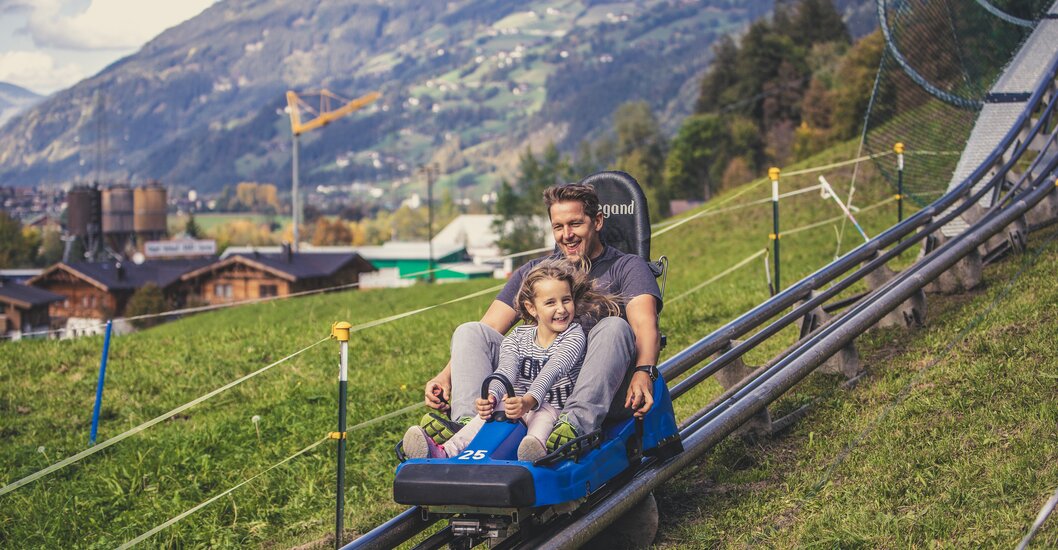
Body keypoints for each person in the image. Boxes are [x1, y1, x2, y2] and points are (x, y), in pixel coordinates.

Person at [419, 182, 663, 453]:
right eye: (558, 227)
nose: (567, 235)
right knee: (470, 331)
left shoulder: (627, 267)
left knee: (615, 327)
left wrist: (644, 372)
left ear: (597, 221)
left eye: (575, 224)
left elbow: (645, 325)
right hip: (534, 385)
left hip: (598, 387)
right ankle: (468, 424)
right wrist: (445, 376)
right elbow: (490, 326)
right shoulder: (536, 272)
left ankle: (574, 427)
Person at [402, 258, 620, 461]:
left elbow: (553, 369)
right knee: (483, 419)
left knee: (541, 419)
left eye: (566, 300)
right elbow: (505, 370)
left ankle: (535, 453)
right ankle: (443, 451)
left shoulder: (574, 335)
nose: (561, 309)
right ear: (532, 308)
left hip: (552, 408)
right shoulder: (518, 338)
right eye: (550, 303)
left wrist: (527, 402)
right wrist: (491, 398)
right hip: (516, 405)